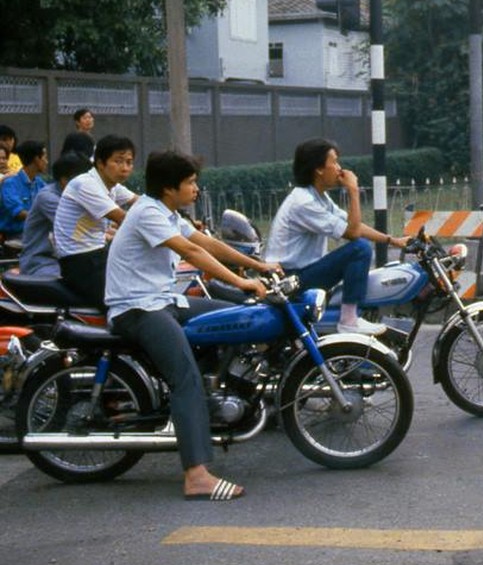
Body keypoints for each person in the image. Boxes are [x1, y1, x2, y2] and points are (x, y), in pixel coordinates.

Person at [107, 150, 276, 501]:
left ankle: (220, 392)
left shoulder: (167, 212)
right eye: (190, 182)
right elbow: (192, 253)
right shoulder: (148, 213)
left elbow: (208, 243)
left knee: (238, 314)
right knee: (185, 379)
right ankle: (197, 476)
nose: (196, 189)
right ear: (170, 188)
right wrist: (241, 280)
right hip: (138, 309)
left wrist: (257, 266)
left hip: (164, 301)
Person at [265, 138, 410, 335]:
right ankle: (349, 319)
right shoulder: (303, 202)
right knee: (360, 248)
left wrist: (392, 240)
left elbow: (353, 225)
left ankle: (355, 316)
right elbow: (353, 233)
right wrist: (353, 191)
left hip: (299, 274)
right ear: (319, 169)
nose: (340, 169)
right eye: (334, 162)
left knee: (361, 246)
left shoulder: (318, 197)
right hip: (290, 281)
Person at [52, 134, 138, 306]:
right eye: (119, 161)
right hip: (80, 262)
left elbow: (140, 202)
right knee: (125, 305)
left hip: (98, 255)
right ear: (100, 163)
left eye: (129, 162)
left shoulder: (112, 186)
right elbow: (123, 218)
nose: (125, 168)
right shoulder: (85, 184)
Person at [19, 152, 90, 277]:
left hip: (66, 260)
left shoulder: (76, 196)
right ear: (64, 180)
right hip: (41, 262)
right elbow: (78, 224)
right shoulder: (48, 197)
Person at [0, 140, 48, 240]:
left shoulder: (40, 183)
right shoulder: (10, 183)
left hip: (36, 233)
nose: (46, 162)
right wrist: (42, 217)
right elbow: (18, 213)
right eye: (44, 157)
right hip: (14, 237)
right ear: (36, 159)